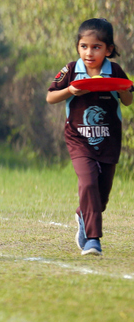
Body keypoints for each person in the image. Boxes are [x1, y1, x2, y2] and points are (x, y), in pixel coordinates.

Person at [46, 18, 132, 257]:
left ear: (109, 49)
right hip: (78, 139)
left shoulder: (114, 71)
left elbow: (127, 100)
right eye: (84, 46)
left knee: (101, 197)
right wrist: (70, 90)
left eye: (96, 47)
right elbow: (50, 97)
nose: (89, 52)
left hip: (109, 140)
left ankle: (83, 215)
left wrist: (124, 90)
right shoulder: (71, 70)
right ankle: (93, 240)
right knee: (89, 183)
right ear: (77, 46)